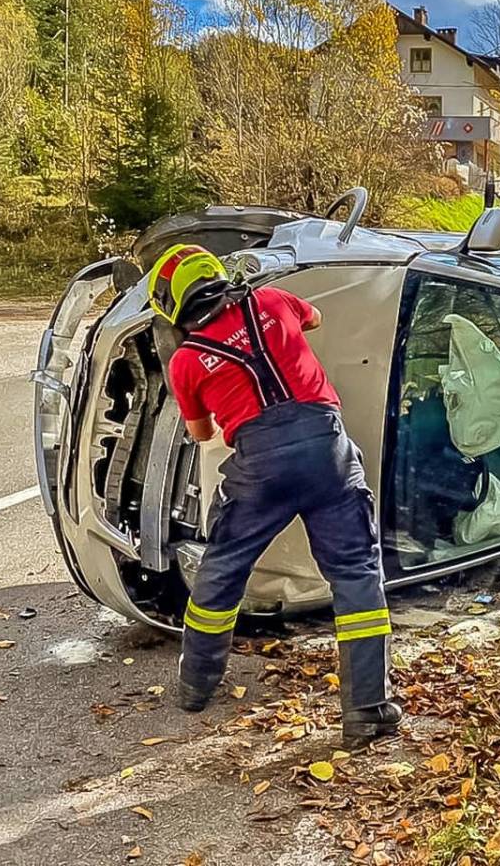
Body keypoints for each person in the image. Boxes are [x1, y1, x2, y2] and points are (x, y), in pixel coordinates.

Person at [147, 243, 401, 748]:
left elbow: (200, 435)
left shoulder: (188, 361)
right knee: (355, 574)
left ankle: (196, 685)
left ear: (173, 307)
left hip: (260, 466)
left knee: (222, 570)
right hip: (328, 452)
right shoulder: (272, 301)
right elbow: (316, 317)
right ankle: (366, 711)